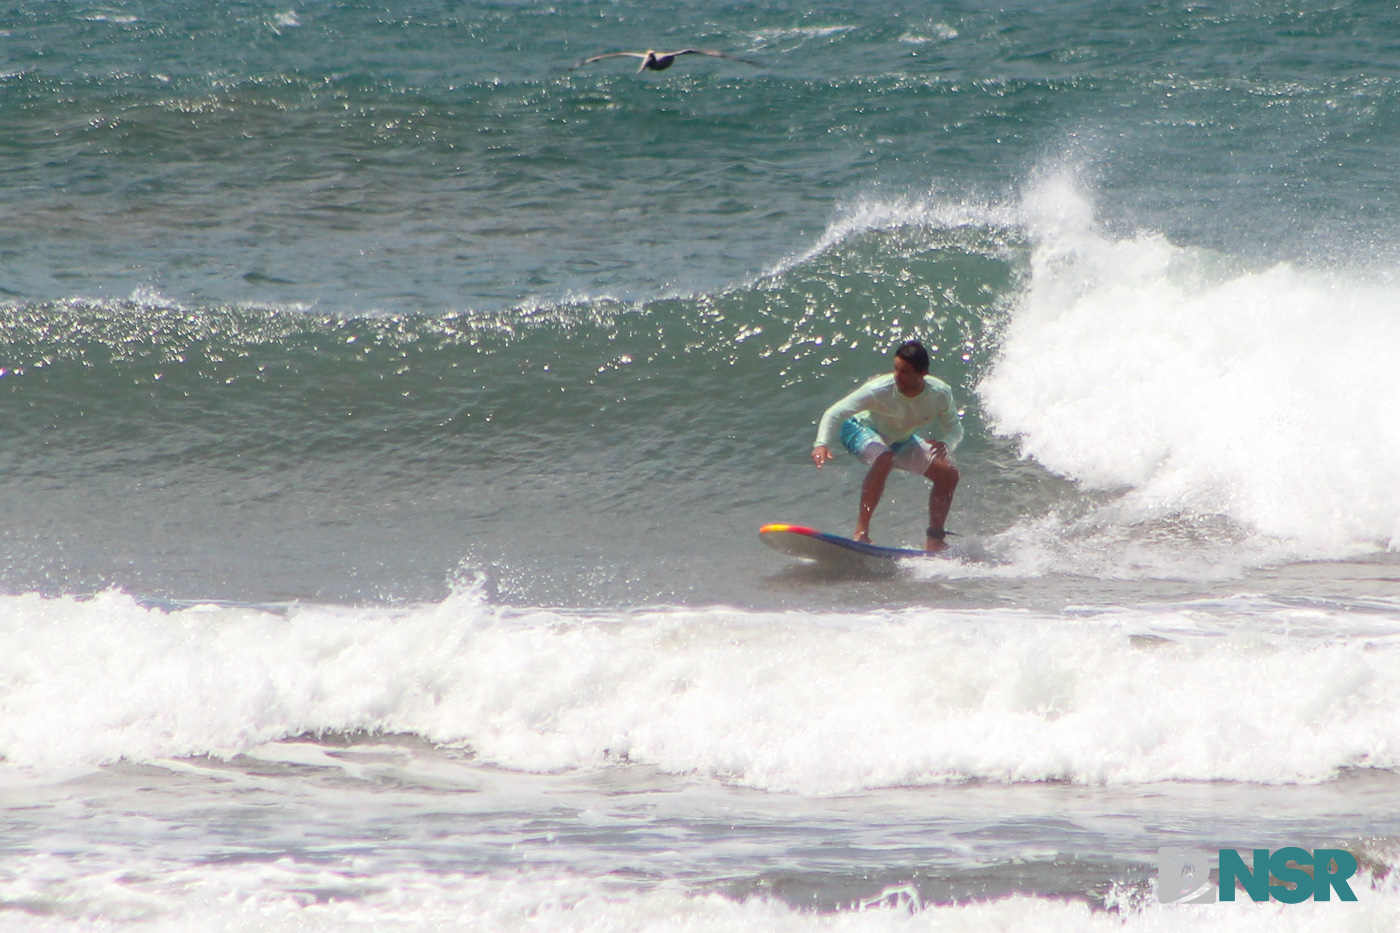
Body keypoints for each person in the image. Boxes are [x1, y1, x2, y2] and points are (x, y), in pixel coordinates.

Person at [811, 340, 963, 552]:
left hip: (898, 439)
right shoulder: (880, 389)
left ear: (922, 373)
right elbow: (835, 412)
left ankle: (935, 539)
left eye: (905, 371)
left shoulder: (940, 393)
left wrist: (948, 444)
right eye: (896, 369)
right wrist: (821, 443)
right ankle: (861, 533)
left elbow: (956, 429)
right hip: (857, 428)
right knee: (884, 458)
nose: (897, 376)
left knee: (948, 474)